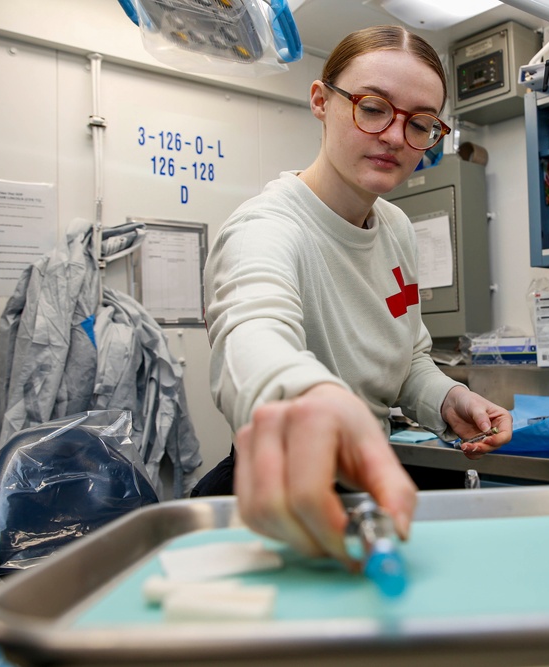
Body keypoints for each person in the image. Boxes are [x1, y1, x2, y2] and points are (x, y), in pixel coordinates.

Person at [195, 25, 513, 567]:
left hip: (368, 482)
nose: (394, 136)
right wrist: (309, 403)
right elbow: (252, 336)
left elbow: (408, 354)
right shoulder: (266, 229)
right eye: (373, 108)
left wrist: (446, 397)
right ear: (321, 101)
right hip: (285, 486)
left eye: (419, 123)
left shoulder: (395, 227)